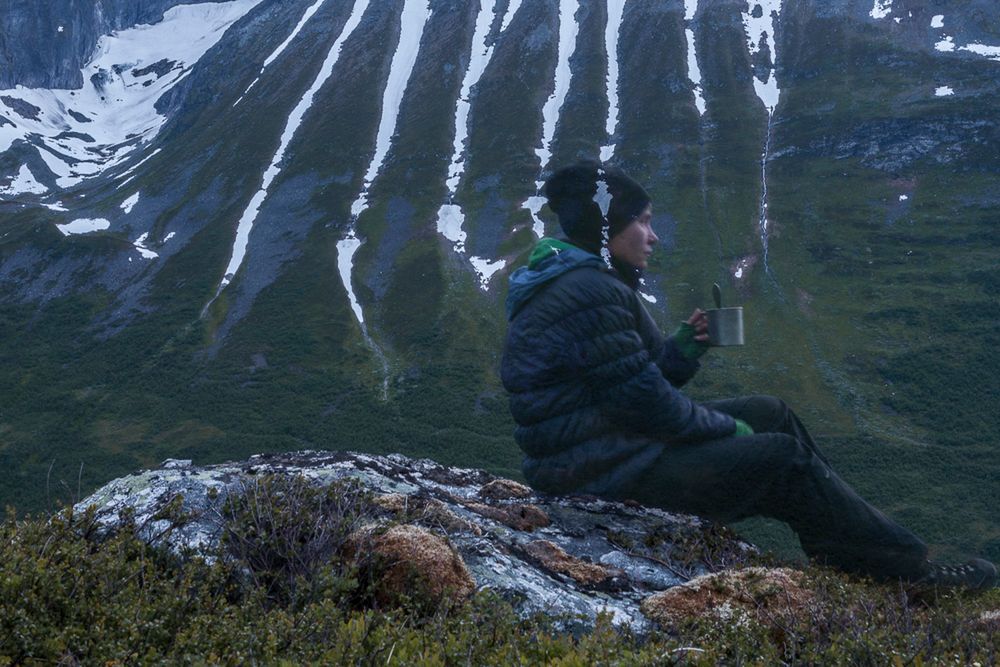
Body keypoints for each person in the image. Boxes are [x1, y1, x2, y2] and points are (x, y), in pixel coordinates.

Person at [500, 160, 996, 589]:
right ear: (608, 227)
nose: (653, 236)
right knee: (780, 457)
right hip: (597, 473)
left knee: (769, 412)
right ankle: (904, 574)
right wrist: (727, 430)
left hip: (605, 449)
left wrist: (682, 349)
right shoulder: (589, 290)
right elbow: (645, 404)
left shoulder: (583, 280)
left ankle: (852, 550)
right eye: (643, 222)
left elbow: (624, 385)